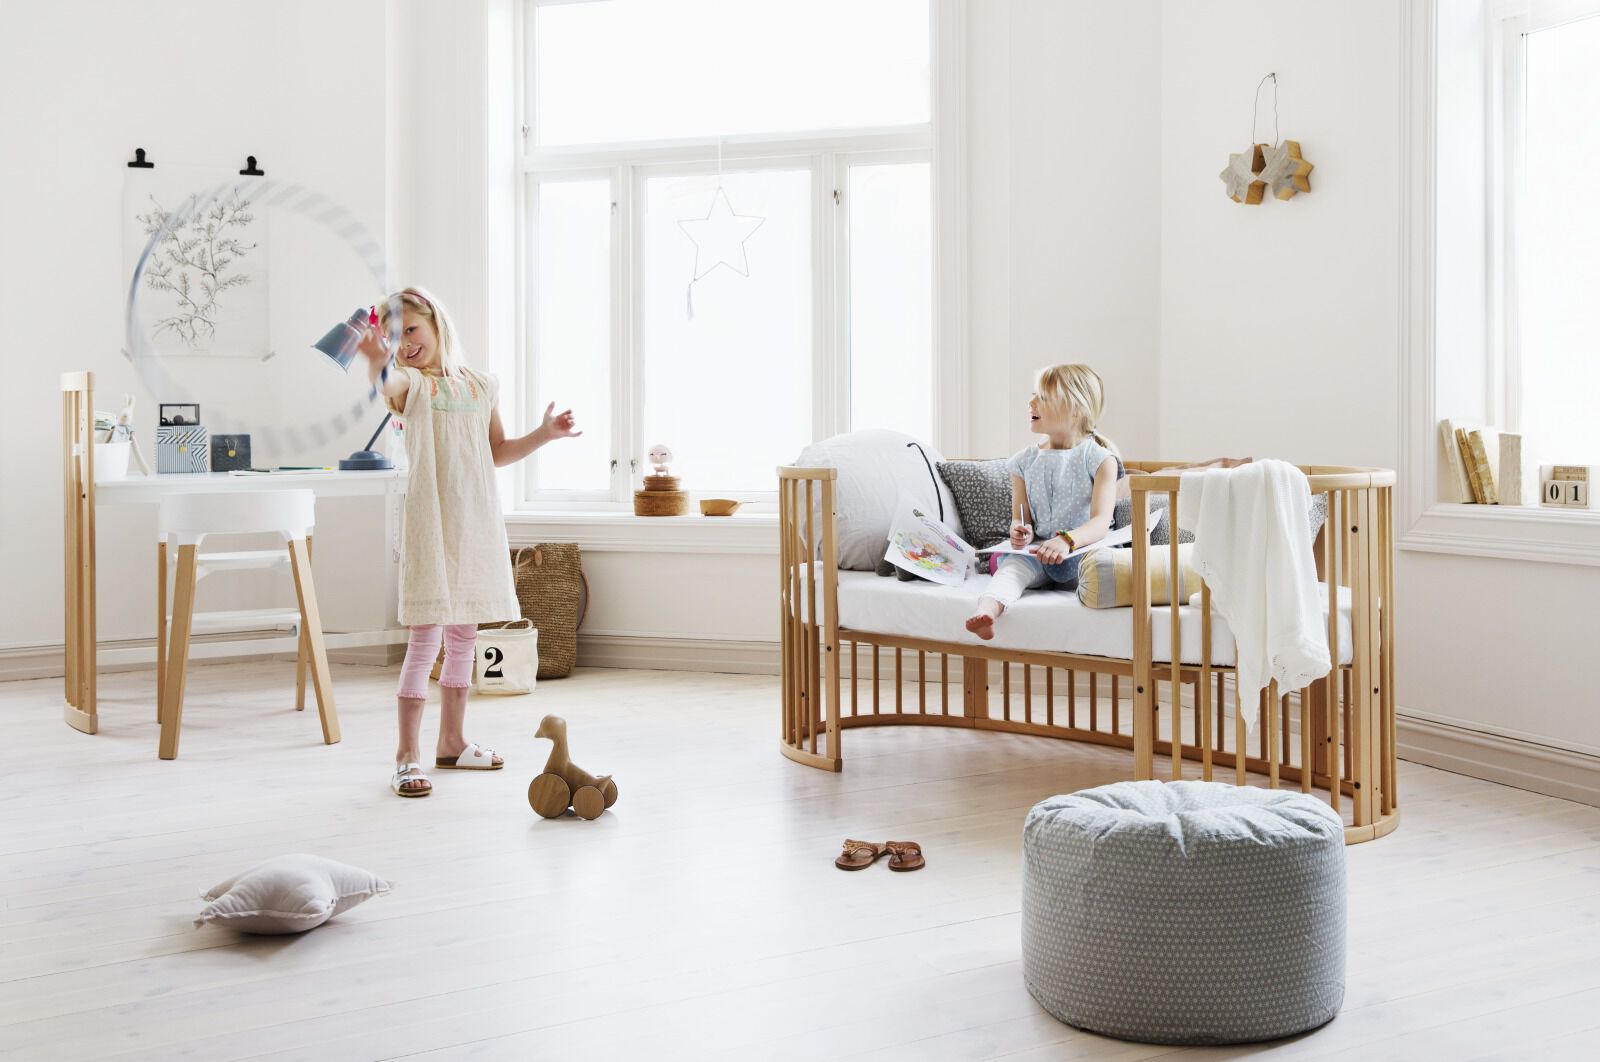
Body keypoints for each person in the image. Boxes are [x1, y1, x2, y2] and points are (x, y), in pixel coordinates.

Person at [357, 287, 580, 796]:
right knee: (425, 638)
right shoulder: (411, 386)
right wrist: (375, 362)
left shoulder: (481, 386)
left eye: (411, 330)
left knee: (464, 638)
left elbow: (497, 451)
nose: (404, 343)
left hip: (474, 523)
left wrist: (544, 434)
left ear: (436, 324)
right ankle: (406, 754)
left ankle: (452, 742)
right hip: (429, 524)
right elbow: (388, 379)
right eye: (393, 338)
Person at [964, 364, 1119, 641]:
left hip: (1082, 551)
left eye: (1042, 398)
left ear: (1075, 409)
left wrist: (1067, 541)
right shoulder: (1023, 462)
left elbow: (1100, 522)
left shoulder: (1099, 459)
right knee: (1012, 570)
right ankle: (988, 611)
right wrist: (1019, 530)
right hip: (1040, 553)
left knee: (1107, 570)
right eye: (1034, 395)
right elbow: (1020, 517)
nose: (1031, 402)